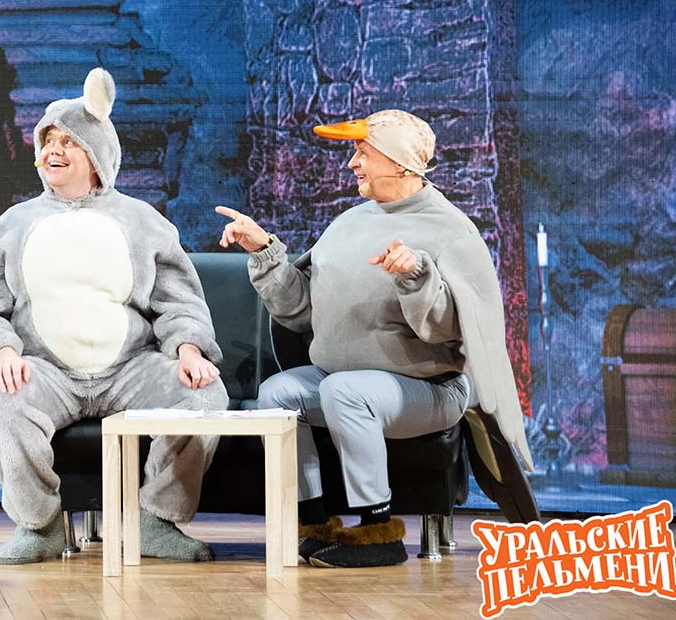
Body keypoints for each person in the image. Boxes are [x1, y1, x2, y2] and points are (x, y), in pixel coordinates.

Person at [215, 110, 532, 568]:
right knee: (278, 394)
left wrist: (416, 276)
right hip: (342, 380)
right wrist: (264, 250)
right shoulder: (347, 223)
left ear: (400, 163)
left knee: (344, 391)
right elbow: (301, 310)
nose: (352, 163)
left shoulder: (450, 230)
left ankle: (377, 532)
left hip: (429, 390)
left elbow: (453, 330)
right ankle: (313, 522)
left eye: (363, 152)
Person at [0, 69, 229, 565]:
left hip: (129, 369)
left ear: (97, 153)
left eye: (68, 141)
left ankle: (157, 520)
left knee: (204, 394)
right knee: (2, 400)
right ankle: (39, 526)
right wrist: (0, 352)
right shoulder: (10, 225)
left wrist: (189, 349)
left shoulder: (143, 221)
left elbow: (179, 301)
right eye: (47, 141)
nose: (53, 150)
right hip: (47, 371)